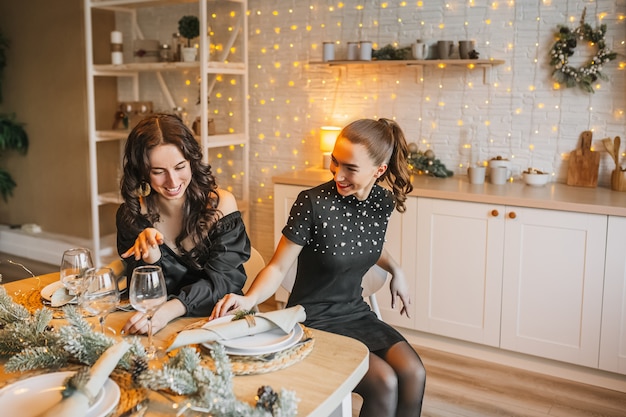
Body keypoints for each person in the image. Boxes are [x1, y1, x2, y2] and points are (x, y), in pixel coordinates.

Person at [211, 118, 426, 417]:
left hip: (355, 312)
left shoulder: (381, 202)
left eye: (351, 168)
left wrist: (396, 269)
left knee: (414, 373)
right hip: (314, 319)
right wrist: (249, 300)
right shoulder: (312, 203)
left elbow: (365, 243)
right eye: (335, 163)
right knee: (385, 382)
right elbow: (277, 267)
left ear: (379, 171)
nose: (339, 174)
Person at [116, 113, 250, 336]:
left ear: (192, 162)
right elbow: (142, 295)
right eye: (158, 172)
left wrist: (168, 311)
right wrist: (152, 259)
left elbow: (224, 282)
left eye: (180, 167)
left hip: (219, 323)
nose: (173, 182)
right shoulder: (132, 215)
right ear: (142, 172)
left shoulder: (221, 205)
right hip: (162, 328)